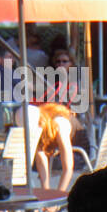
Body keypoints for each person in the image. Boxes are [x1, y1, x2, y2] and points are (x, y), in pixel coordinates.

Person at [33, 46, 82, 191]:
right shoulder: (51, 83)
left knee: (57, 125)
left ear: (71, 64)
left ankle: (58, 193)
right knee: (39, 136)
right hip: (53, 123)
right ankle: (46, 189)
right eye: (58, 62)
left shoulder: (75, 84)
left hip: (69, 125)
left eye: (64, 61)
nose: (61, 64)